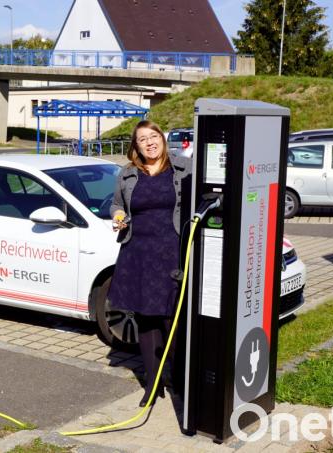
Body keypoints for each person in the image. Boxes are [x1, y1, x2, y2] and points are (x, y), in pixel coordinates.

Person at [108, 120, 191, 408]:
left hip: (172, 253)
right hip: (138, 253)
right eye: (143, 139)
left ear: (163, 139)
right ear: (136, 146)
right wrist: (118, 216)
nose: (150, 142)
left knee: (172, 319)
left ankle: (179, 380)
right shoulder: (128, 173)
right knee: (145, 319)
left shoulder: (182, 168)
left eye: (154, 136)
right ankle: (152, 384)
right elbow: (116, 204)